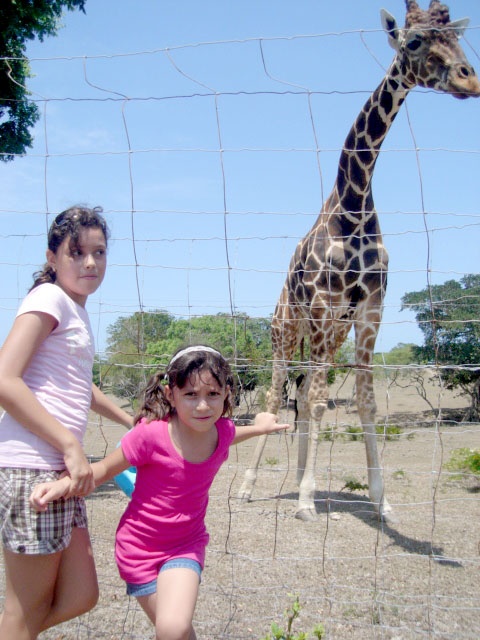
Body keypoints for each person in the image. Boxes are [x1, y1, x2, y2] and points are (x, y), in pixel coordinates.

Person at [30, 345, 289, 640]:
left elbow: (234, 434)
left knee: (173, 628)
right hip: (138, 551)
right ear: (170, 395)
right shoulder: (150, 434)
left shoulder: (221, 432)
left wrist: (260, 427)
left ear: (227, 392)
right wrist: (64, 485)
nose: (202, 406)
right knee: (176, 632)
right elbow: (103, 470)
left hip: (185, 546)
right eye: (190, 395)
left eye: (212, 394)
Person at [0, 206, 134, 640]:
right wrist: (71, 445)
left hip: (59, 469)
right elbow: (5, 380)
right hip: (32, 467)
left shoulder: (76, 310)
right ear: (52, 257)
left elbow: (78, 385)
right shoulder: (49, 298)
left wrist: (128, 419)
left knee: (82, 594)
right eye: (76, 252)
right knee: (25, 611)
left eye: (99, 252)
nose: (90, 262)